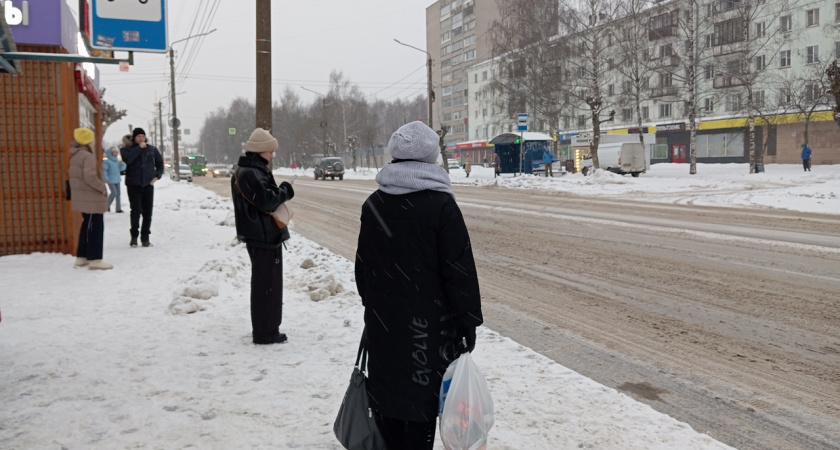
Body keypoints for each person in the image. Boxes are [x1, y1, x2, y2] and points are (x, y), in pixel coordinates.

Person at [354, 121, 483, 449]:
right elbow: (459, 271)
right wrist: (468, 321)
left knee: (386, 407)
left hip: (384, 327)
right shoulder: (440, 205)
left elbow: (362, 270)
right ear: (431, 158)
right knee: (418, 410)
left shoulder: (374, 204)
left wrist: (379, 305)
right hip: (427, 332)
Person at [231, 128, 295, 345]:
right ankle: (265, 332)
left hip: (260, 234)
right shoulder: (252, 172)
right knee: (266, 285)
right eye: (270, 151)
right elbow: (267, 201)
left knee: (265, 283)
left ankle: (266, 328)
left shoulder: (250, 170)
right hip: (263, 235)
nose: (272, 155)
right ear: (261, 151)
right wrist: (286, 190)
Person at [68, 128, 112, 270]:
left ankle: (82, 257)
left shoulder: (75, 154)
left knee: (87, 226)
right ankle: (95, 259)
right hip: (91, 198)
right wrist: (102, 187)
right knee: (95, 228)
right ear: (88, 141)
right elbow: (90, 177)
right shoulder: (87, 156)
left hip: (83, 197)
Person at [121, 128, 164, 247]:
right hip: (133, 184)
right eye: (138, 136)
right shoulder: (126, 149)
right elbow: (128, 160)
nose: (141, 139)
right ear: (134, 138)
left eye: (143, 136)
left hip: (148, 184)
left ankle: (145, 238)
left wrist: (157, 176)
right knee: (135, 211)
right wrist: (139, 148)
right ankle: (134, 236)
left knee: (147, 212)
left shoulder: (152, 149)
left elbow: (160, 164)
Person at [102, 147, 126, 212]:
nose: (115, 153)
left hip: (117, 179)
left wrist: (122, 164)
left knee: (118, 194)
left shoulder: (117, 160)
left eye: (116, 152)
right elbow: (104, 171)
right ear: (110, 153)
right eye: (113, 152)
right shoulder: (106, 161)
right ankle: (106, 206)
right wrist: (106, 178)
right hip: (110, 180)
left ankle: (118, 208)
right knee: (114, 193)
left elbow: (121, 169)